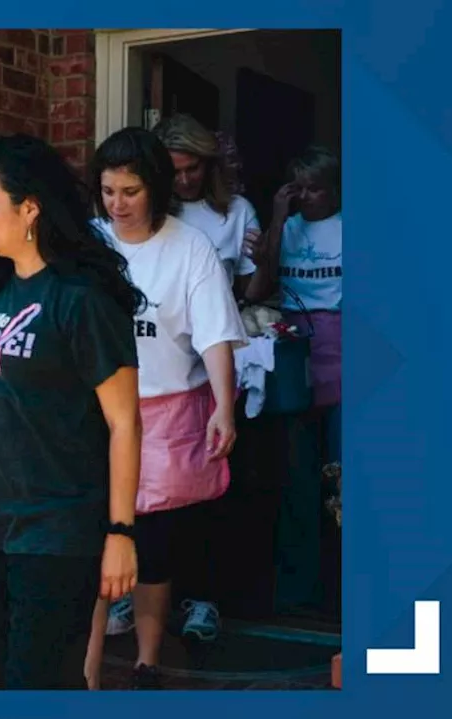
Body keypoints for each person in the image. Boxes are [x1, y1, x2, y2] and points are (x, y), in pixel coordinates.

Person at [0, 133, 143, 690]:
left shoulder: (81, 299)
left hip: (58, 530)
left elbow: (125, 422)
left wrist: (120, 533)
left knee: (35, 682)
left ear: (31, 207)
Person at [82, 127, 246, 690]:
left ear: (155, 187)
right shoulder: (89, 244)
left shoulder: (189, 246)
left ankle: (148, 661)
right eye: (107, 191)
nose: (117, 205)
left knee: (153, 549)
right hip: (98, 417)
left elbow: (215, 335)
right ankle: (88, 671)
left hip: (167, 412)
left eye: (129, 191)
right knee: (94, 542)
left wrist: (224, 406)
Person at [245, 146, 343, 613]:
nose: (308, 197)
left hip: (344, 349)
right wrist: (279, 218)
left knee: (343, 474)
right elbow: (257, 289)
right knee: (295, 475)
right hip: (292, 351)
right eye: (299, 187)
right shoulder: (286, 225)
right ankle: (298, 590)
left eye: (317, 188)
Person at [154, 113, 271, 299]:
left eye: (192, 168)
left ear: (209, 164)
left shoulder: (239, 211)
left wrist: (263, 262)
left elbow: (251, 296)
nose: (184, 181)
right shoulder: (148, 211)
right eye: (174, 172)